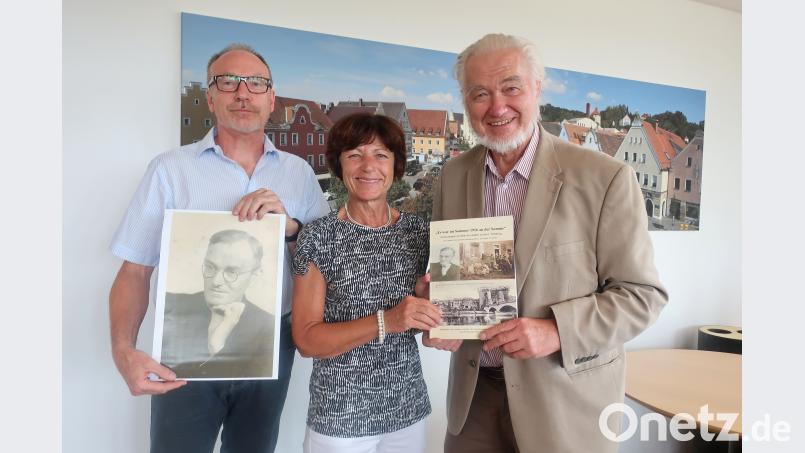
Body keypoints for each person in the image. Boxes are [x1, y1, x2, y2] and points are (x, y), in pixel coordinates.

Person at [422, 33, 668, 453]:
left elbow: (643, 297)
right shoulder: (453, 175)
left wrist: (557, 330)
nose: (497, 107)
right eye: (480, 93)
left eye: (511, 88)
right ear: (465, 101)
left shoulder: (605, 178)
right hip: (475, 395)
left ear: (538, 89)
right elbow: (454, 273)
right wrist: (437, 307)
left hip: (564, 402)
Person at [108, 43, 330, 453]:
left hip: (272, 342)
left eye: (256, 83)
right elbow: (135, 270)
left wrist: (293, 228)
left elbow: (321, 268)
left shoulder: (300, 174)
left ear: (271, 100)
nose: (243, 93)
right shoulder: (170, 170)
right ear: (210, 97)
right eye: (228, 82)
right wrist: (124, 351)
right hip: (186, 342)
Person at [291, 112, 441, 453]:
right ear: (339, 165)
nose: (368, 166)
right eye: (355, 154)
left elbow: (413, 321)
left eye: (381, 155)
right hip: (340, 417)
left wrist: (428, 309)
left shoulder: (417, 232)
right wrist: (388, 320)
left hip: (407, 408)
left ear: (396, 166)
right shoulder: (318, 237)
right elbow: (306, 339)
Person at [161, 229, 275, 379]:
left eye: (231, 272)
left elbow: (250, 389)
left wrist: (217, 346)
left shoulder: (268, 327)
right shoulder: (171, 305)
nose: (216, 281)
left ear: (254, 275)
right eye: (210, 267)